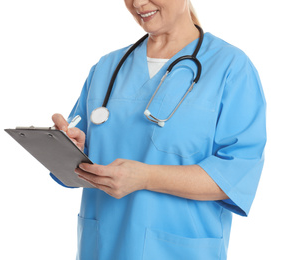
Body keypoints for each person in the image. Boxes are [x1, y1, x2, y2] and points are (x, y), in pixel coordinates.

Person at [51, 0, 266, 259]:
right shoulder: (106, 68)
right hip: (103, 247)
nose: (138, 3)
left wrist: (146, 177)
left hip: (179, 249)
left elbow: (235, 177)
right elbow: (76, 164)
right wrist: (70, 150)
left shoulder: (230, 68)